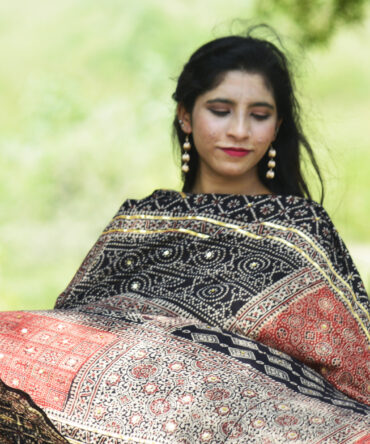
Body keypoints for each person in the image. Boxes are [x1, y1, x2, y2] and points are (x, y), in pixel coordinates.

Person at [0, 30, 369, 443]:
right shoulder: (142, 216)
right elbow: (80, 317)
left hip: (247, 411)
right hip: (119, 392)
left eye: (259, 115)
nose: (240, 131)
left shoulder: (301, 225)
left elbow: (355, 365)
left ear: (277, 125)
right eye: (221, 110)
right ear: (186, 116)